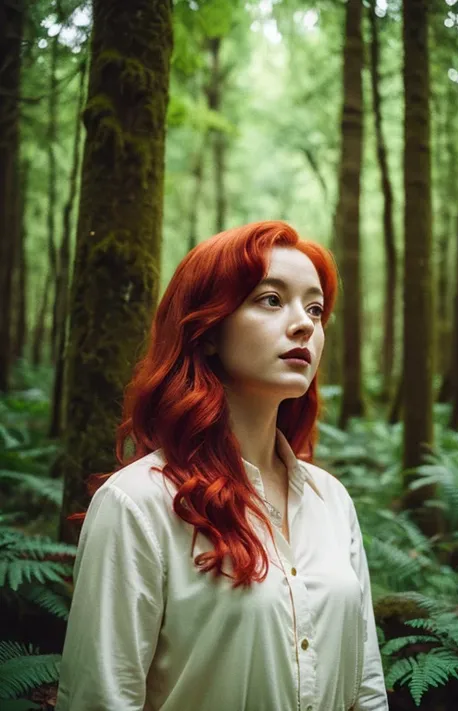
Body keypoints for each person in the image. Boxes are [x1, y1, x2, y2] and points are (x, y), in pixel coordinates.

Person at [56, 220, 388, 711]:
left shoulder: (331, 501)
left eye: (315, 309)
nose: (304, 325)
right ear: (208, 331)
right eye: (271, 299)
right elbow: (99, 698)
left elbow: (366, 690)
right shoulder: (138, 504)